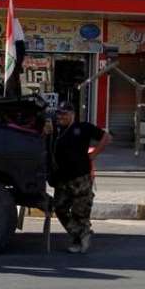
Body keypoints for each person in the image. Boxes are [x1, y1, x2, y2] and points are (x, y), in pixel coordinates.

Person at [44, 101, 111, 254]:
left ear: (72, 114)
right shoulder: (56, 130)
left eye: (64, 114)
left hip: (80, 178)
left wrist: (93, 154)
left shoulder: (83, 128)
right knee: (60, 208)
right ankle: (80, 234)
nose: (60, 116)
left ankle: (80, 240)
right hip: (62, 179)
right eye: (59, 114)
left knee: (80, 211)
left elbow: (107, 137)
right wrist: (47, 132)